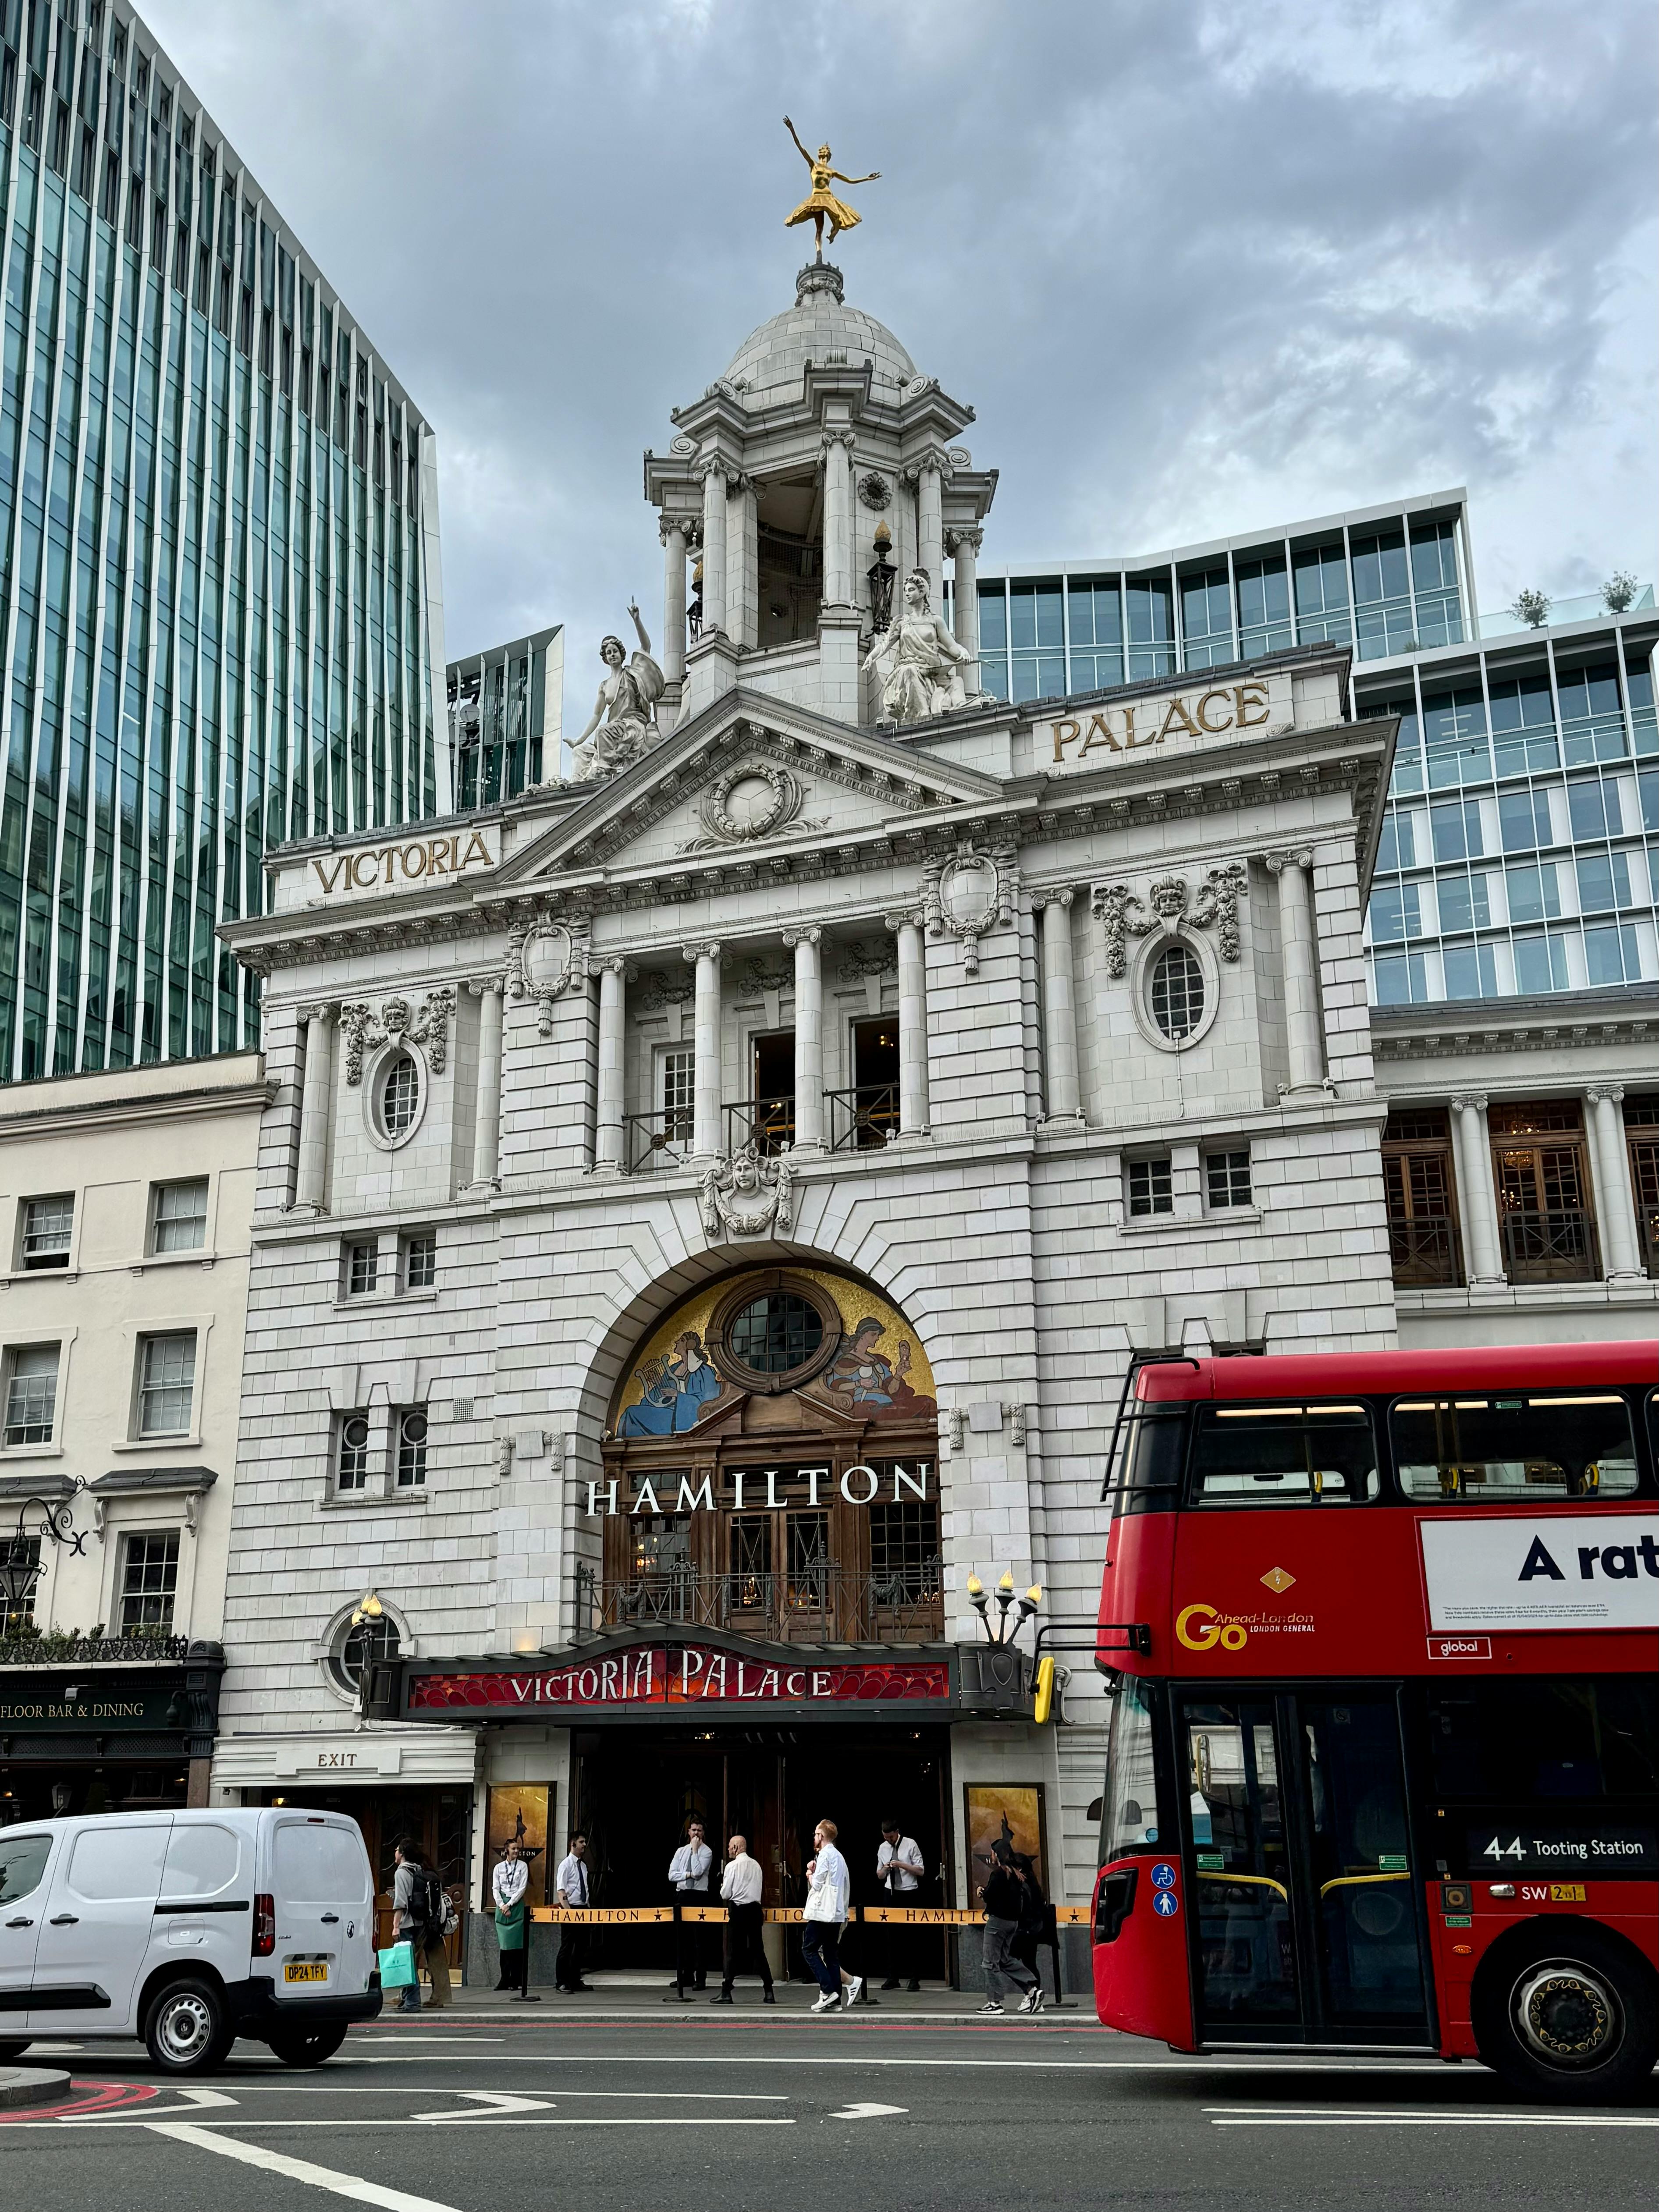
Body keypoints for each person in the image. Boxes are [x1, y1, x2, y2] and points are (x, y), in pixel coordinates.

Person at [782, 115, 881, 257]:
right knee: (819, 229)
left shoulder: (832, 171)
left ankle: (833, 234)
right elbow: (801, 148)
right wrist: (792, 129)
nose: (824, 149)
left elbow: (850, 180)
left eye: (826, 148)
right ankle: (819, 252)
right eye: (823, 148)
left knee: (839, 218)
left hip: (829, 197)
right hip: (816, 198)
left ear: (829, 154)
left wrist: (867, 178)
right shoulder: (813, 165)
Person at [802, 1818, 863, 2015]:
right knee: (830, 1955)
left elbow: (818, 1885)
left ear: (821, 1836)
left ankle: (827, 1991)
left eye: (815, 1834)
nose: (814, 1838)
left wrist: (810, 1873)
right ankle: (835, 2000)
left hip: (822, 1913)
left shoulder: (825, 1856)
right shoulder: (839, 1857)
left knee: (808, 1950)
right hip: (836, 1913)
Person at [712, 1833, 774, 2006]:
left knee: (733, 1952)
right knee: (758, 1951)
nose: (728, 1850)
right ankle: (769, 1991)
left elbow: (725, 1894)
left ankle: (726, 1992)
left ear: (736, 1848)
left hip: (738, 1911)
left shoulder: (732, 1867)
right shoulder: (757, 1866)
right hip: (755, 1910)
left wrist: (723, 1887)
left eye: (730, 1847)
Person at [979, 1847, 1043, 2016]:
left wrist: (982, 1891)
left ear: (998, 1856)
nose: (991, 1855)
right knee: (1004, 1960)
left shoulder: (999, 1874)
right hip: (1012, 1923)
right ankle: (1031, 1990)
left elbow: (989, 1896)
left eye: (993, 1852)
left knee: (990, 1963)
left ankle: (995, 2002)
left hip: (997, 1923)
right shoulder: (1016, 1874)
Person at [391, 1837, 445, 2014]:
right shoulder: (419, 1870)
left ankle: (412, 2002)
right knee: (411, 1962)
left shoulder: (401, 1872)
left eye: (397, 1850)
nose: (395, 1853)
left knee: (408, 1964)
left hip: (407, 1923)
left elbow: (401, 1903)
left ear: (403, 1854)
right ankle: (407, 2000)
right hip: (421, 1922)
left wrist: (395, 1925)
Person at [665, 1818, 714, 2000]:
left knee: (699, 1940)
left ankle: (700, 1978)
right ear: (688, 1831)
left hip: (699, 1896)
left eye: (700, 1831)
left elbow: (700, 1872)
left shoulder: (706, 1852)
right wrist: (687, 1874)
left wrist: (695, 1851)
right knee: (683, 1939)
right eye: (694, 1830)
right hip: (683, 1895)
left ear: (703, 1833)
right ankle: (685, 1977)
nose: (696, 1834)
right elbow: (672, 1875)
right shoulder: (680, 1851)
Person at [876, 1817, 925, 1992]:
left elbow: (921, 1870)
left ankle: (914, 1977)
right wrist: (886, 1869)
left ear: (897, 1832)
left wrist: (901, 1865)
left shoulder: (910, 1844)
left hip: (909, 1892)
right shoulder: (883, 1848)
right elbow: (879, 1875)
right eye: (885, 1837)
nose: (888, 1840)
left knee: (912, 1936)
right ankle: (893, 1977)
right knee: (891, 1937)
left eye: (890, 1837)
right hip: (890, 1893)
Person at [491, 1836, 540, 2003]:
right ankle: (504, 1979)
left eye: (518, 1849)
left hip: (516, 1905)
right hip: (502, 1906)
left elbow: (522, 1887)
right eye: (513, 1849)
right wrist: (502, 1905)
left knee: (517, 1947)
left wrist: (510, 1905)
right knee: (505, 1947)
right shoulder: (498, 1868)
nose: (516, 1851)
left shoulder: (523, 1866)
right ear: (507, 1851)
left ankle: (516, 1980)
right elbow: (495, 1888)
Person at [553, 1831, 593, 1994]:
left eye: (585, 1842)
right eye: (581, 1842)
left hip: (583, 1908)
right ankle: (561, 1982)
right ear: (573, 1844)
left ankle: (576, 1980)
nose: (584, 1845)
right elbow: (561, 1890)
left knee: (581, 1946)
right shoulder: (566, 1865)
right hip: (571, 1908)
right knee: (567, 1946)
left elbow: (585, 1888)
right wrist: (568, 1911)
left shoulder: (583, 1866)